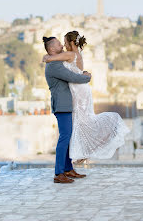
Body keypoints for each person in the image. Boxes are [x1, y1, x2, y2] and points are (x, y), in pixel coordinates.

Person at [43, 31, 130, 165]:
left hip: (78, 88)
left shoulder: (70, 54)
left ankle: (84, 153)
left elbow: (49, 59)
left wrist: (47, 56)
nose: (64, 45)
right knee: (84, 121)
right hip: (82, 88)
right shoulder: (78, 54)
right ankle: (84, 152)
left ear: (72, 43)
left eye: (65, 42)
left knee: (81, 121)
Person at [43, 36, 91, 183]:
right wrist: (87, 77)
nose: (61, 46)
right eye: (58, 44)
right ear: (52, 49)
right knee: (64, 138)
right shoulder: (54, 66)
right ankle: (59, 173)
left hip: (66, 105)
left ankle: (68, 169)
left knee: (68, 137)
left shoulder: (57, 62)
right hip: (62, 106)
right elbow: (72, 77)